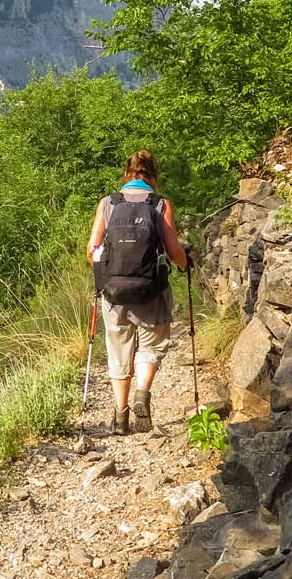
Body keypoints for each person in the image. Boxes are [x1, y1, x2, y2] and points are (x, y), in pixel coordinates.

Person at [87, 150, 189, 434]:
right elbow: (174, 252)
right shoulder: (160, 204)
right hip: (151, 291)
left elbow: (91, 250)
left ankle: (120, 416)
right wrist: (186, 262)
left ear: (126, 175)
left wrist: (106, 275)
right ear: (153, 177)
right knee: (151, 345)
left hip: (114, 292)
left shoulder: (108, 203)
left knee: (119, 349)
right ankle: (142, 392)